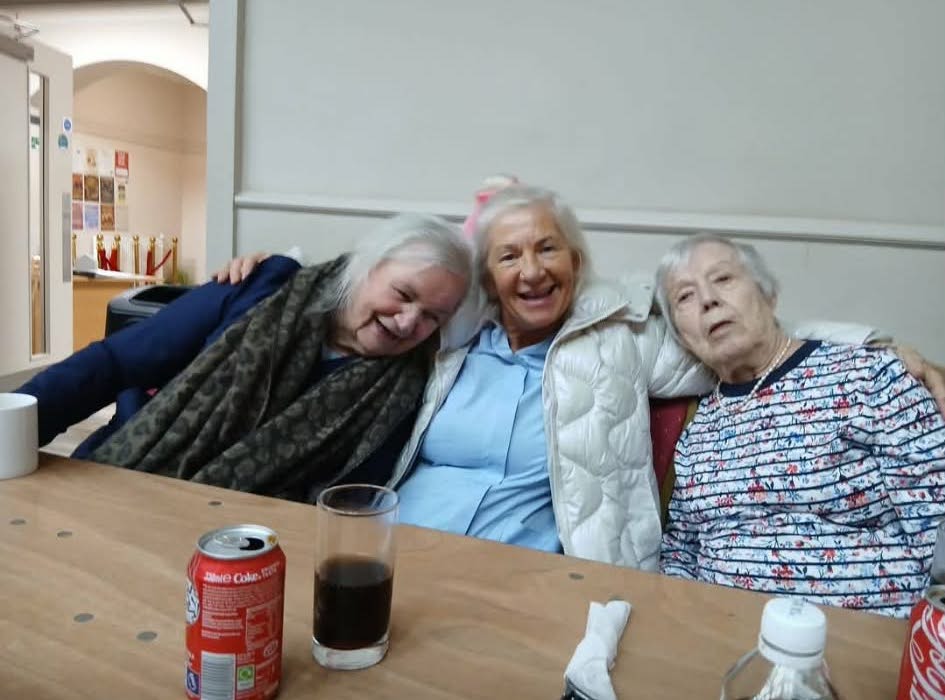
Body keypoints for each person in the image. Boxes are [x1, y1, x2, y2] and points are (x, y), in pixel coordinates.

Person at [384, 186, 897, 569]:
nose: (532, 271)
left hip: (518, 572)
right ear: (489, 280)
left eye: (547, 248)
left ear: (576, 261)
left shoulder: (620, 340)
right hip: (395, 548)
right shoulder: (450, 344)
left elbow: (743, 332)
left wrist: (878, 346)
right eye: (509, 256)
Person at [16, 214, 472, 502]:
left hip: (237, 548)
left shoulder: (406, 391)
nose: (410, 322)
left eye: (433, 316)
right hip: (118, 476)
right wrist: (12, 436)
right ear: (367, 267)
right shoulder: (264, 286)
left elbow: (342, 499)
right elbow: (114, 362)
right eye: (403, 294)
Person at [655, 234, 945, 617]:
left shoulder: (871, 376)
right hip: (721, 639)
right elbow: (682, 551)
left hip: (868, 637)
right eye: (685, 297)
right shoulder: (698, 429)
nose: (708, 299)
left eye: (723, 279)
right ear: (682, 338)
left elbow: (936, 527)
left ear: (769, 296)